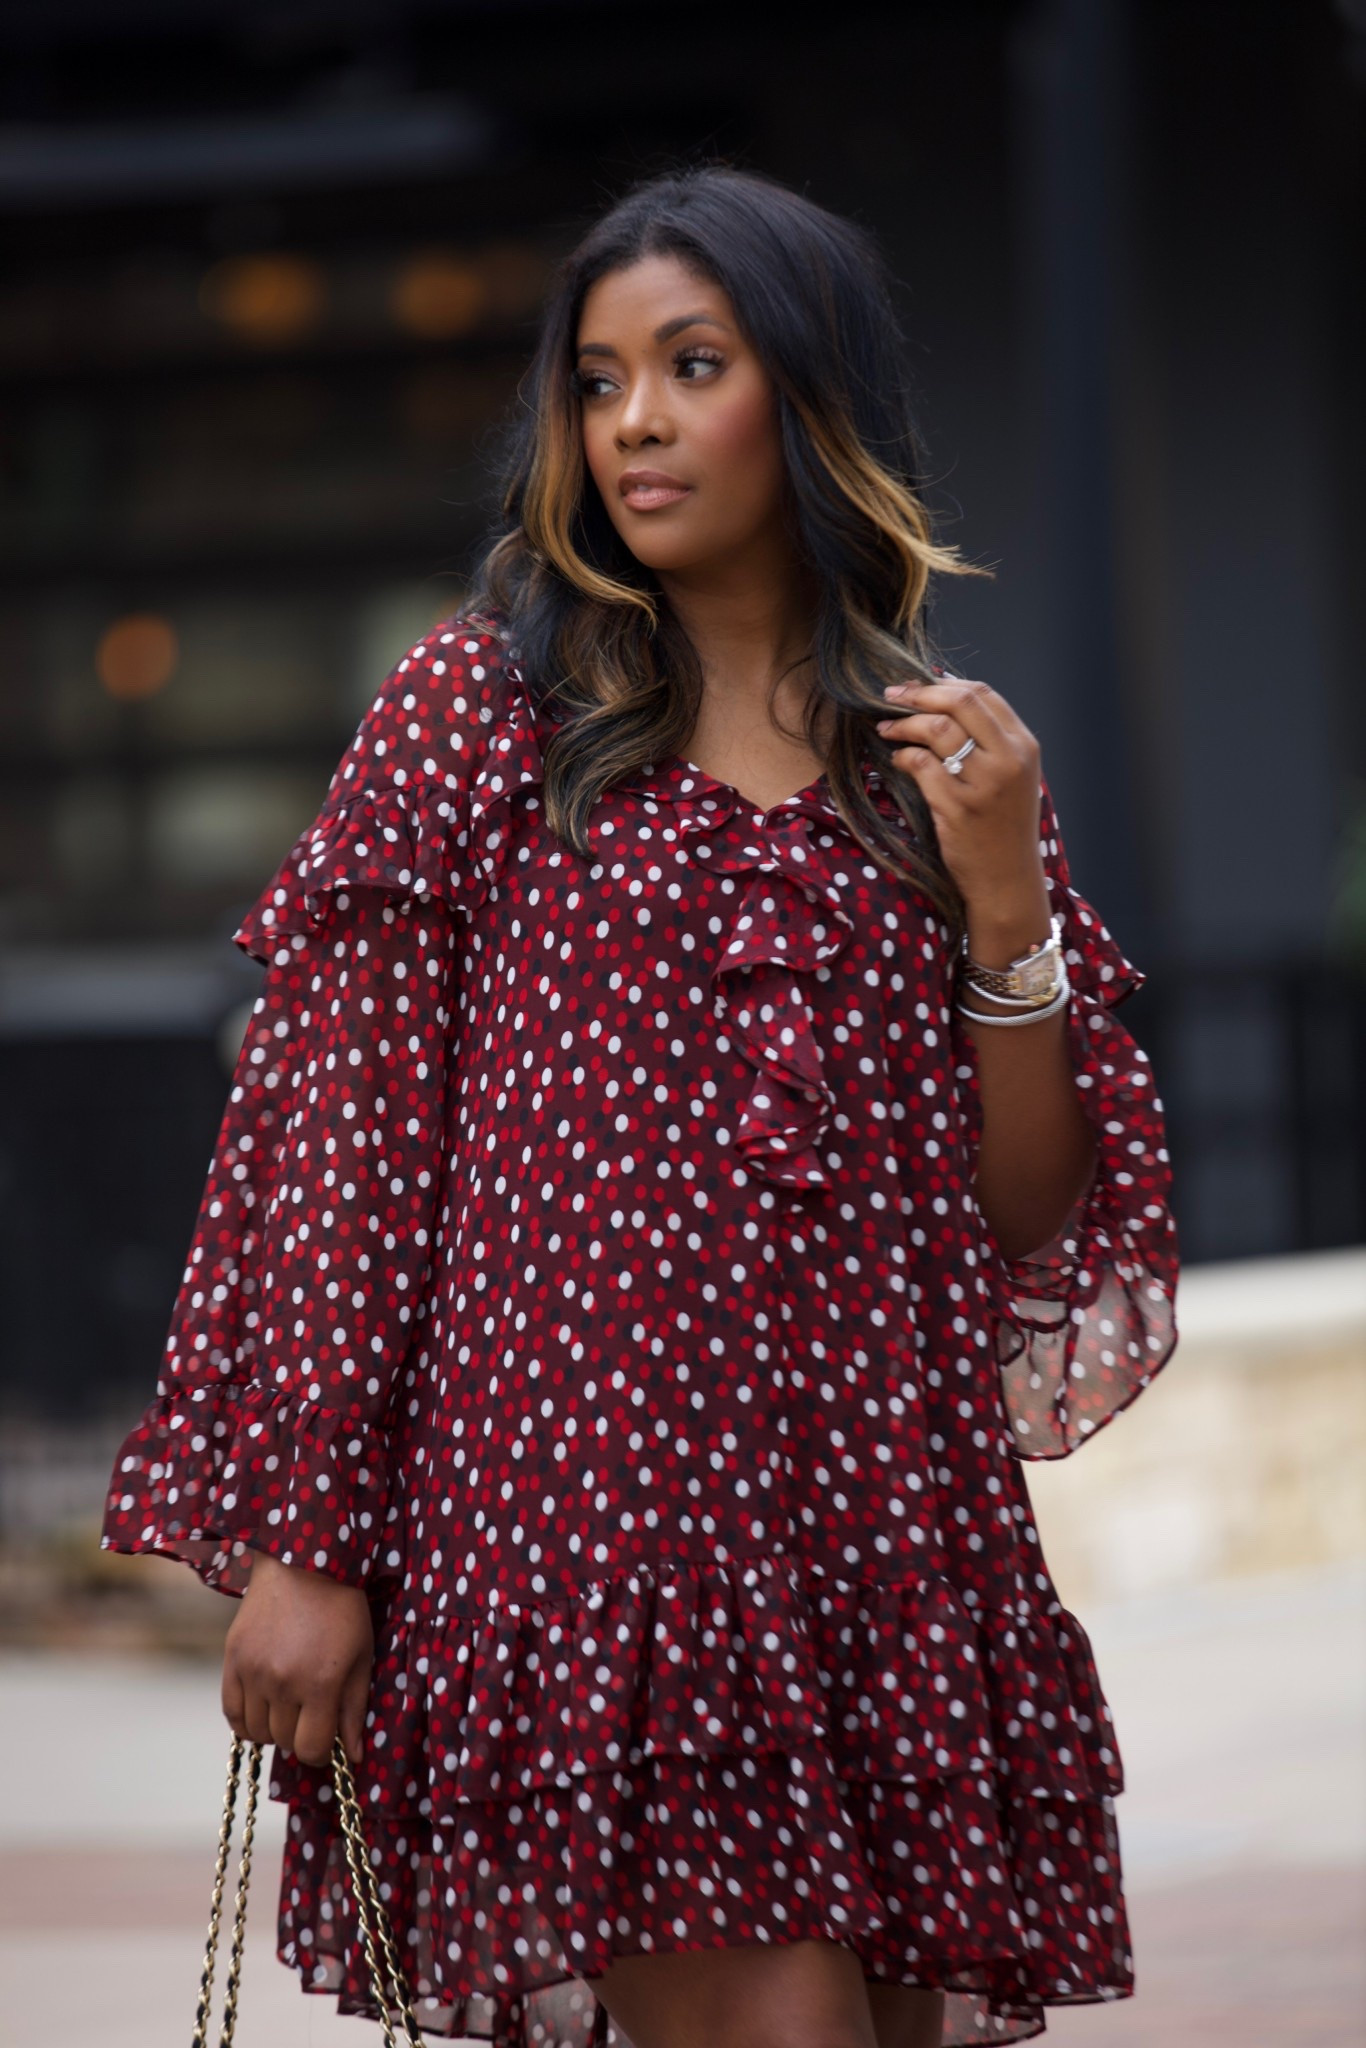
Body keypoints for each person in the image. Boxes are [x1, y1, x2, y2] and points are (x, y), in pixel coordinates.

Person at [101, 163, 1179, 2048]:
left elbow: (1022, 1215)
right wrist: (306, 1545)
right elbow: (346, 1161)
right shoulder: (480, 712)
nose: (634, 424)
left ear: (814, 398)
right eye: (597, 382)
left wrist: (1005, 900)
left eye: (692, 365)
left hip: (881, 1547)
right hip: (591, 1540)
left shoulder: (931, 763)